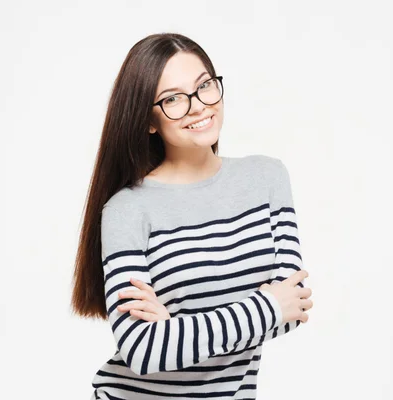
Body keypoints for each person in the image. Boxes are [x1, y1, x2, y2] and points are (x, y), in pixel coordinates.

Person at [71, 32, 313, 400]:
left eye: (204, 87)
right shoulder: (127, 210)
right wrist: (267, 306)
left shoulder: (267, 178)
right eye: (173, 99)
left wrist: (175, 331)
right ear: (149, 120)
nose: (198, 106)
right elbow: (143, 351)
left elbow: (294, 305)